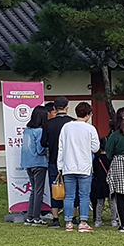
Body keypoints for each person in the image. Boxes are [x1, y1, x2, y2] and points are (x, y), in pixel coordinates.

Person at [57, 102, 99, 232]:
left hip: (68, 166)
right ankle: (83, 222)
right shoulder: (90, 129)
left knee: (69, 195)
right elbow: (95, 147)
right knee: (84, 195)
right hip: (84, 167)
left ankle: (69, 222)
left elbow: (61, 147)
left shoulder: (66, 127)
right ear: (88, 114)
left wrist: (60, 165)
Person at [41, 96, 74, 227]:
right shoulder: (72, 123)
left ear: (54, 108)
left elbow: (43, 142)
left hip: (54, 160)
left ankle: (55, 218)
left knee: (55, 187)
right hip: (70, 161)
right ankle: (73, 216)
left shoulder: (48, 124)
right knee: (72, 189)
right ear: (67, 107)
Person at [20, 105, 49, 225]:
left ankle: (30, 215)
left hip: (28, 163)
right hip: (39, 163)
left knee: (33, 190)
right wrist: (48, 150)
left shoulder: (27, 130)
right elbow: (40, 149)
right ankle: (36, 217)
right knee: (39, 191)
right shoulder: (40, 131)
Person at [90, 136, 111, 227]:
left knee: (99, 202)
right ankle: (114, 219)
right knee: (112, 201)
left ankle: (97, 219)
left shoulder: (96, 159)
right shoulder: (110, 158)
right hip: (109, 182)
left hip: (99, 182)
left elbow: (94, 171)